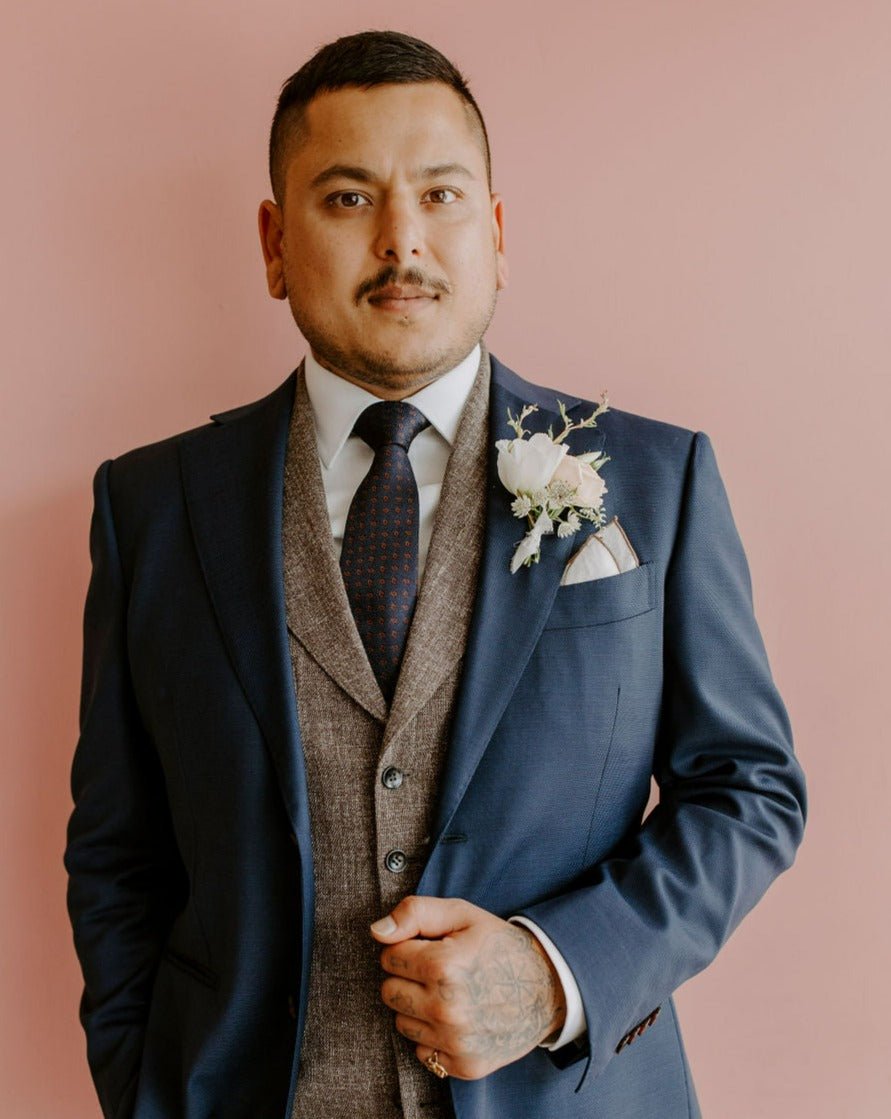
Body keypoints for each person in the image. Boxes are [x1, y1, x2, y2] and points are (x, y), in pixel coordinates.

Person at [64, 29, 807, 1119]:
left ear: (497, 234)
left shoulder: (657, 481)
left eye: (443, 195)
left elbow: (750, 791)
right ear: (274, 245)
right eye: (348, 199)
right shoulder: (151, 508)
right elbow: (118, 855)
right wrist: (140, 1088)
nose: (402, 240)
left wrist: (557, 973)